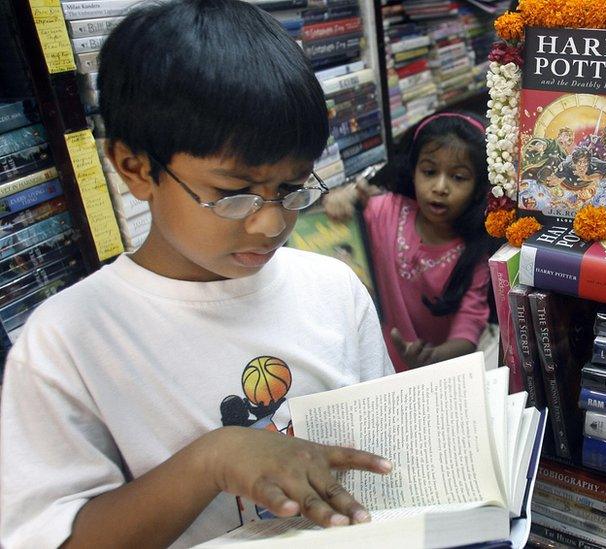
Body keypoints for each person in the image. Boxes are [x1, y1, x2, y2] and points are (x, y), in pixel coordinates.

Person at [0, 2, 396, 547]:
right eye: (232, 194)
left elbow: (385, 452)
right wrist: (212, 458)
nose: (270, 223)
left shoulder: (333, 287)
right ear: (136, 169)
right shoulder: (67, 340)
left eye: (293, 189)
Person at [325, 111, 500, 372]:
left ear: (478, 188)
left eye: (458, 177)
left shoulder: (474, 253)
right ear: (414, 169)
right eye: (429, 171)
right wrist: (341, 200)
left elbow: (468, 326)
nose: (440, 187)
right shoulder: (386, 210)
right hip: (374, 361)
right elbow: (341, 222)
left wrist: (432, 357)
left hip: (438, 368)